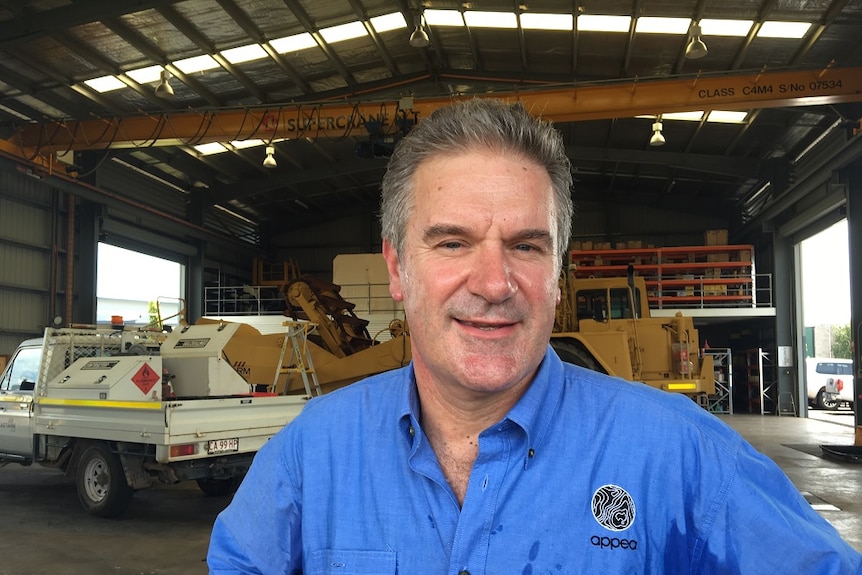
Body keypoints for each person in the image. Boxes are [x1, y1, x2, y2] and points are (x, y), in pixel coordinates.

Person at [207, 99, 862, 574]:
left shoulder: (678, 454)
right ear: (399, 268)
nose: (494, 282)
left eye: (525, 244)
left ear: (557, 273)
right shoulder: (309, 454)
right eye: (453, 242)